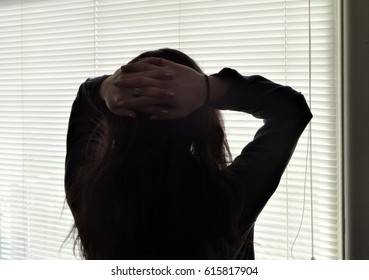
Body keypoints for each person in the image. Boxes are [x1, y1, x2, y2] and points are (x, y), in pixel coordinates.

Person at [65, 48, 312, 260]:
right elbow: (290, 110)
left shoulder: (88, 192)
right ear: (203, 120)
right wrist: (208, 88)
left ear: (117, 115)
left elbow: (85, 100)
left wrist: (108, 86)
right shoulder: (230, 198)